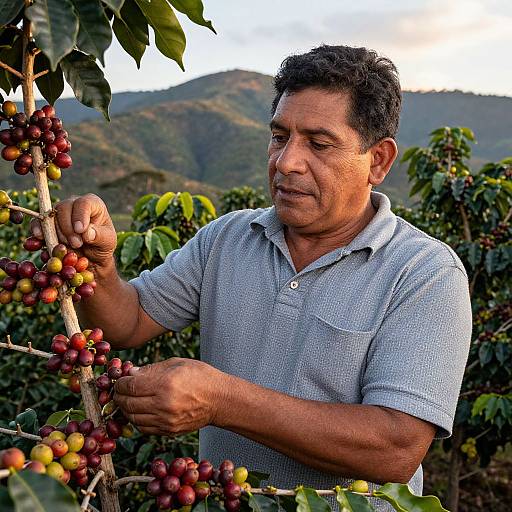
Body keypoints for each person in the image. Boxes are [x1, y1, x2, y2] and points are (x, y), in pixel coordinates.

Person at [32, 45, 472, 508]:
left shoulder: (425, 274)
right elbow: (129, 320)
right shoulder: (228, 237)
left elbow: (396, 449)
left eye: (318, 144)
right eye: (280, 136)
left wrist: (222, 400)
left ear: (378, 162)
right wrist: (100, 266)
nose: (286, 162)